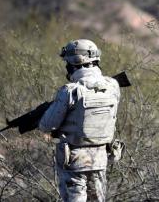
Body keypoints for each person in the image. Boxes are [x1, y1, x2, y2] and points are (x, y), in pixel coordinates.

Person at [39, 39, 121, 202]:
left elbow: (47, 125)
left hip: (74, 162)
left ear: (73, 63)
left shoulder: (70, 91)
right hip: (100, 160)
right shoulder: (113, 85)